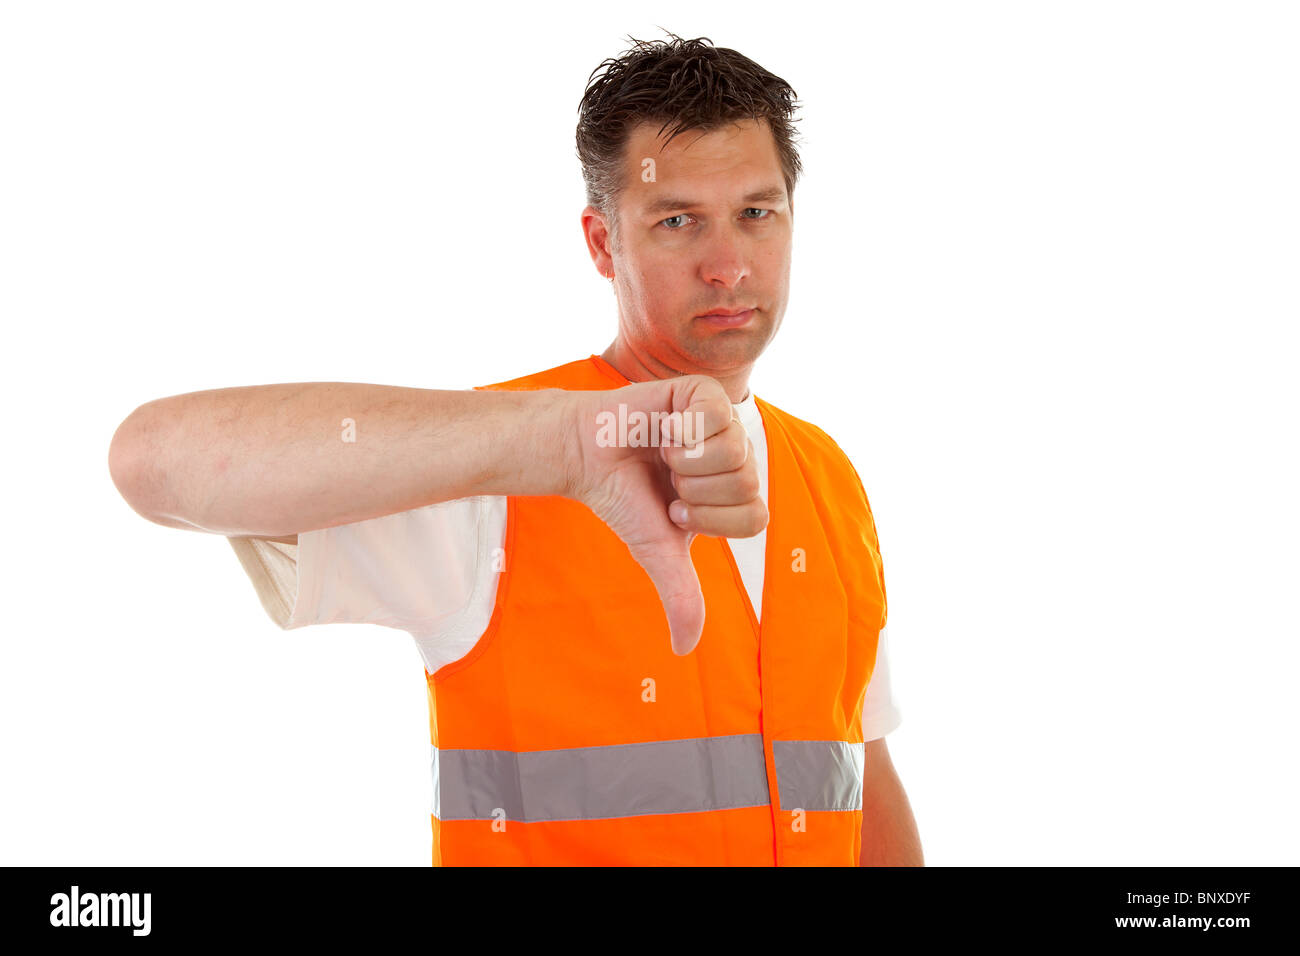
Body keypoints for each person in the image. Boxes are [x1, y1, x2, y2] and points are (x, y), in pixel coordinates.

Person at [108, 32, 922, 866]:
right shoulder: (503, 465)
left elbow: (858, 766)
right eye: (678, 221)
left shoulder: (829, 478)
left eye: (756, 214)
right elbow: (154, 460)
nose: (727, 266)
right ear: (603, 244)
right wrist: (559, 443)